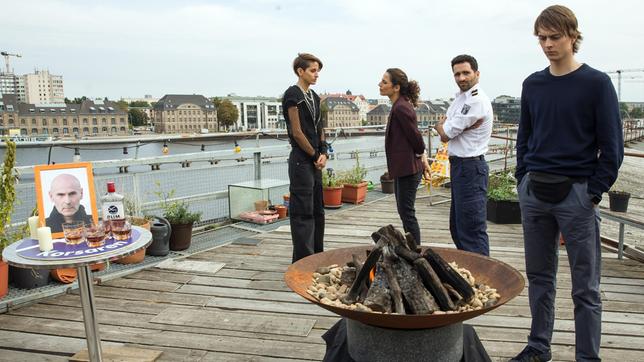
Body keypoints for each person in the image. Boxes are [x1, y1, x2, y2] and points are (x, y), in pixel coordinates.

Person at [511, 5, 623, 362]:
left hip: (576, 194)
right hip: (535, 193)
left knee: (586, 287)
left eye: (555, 36)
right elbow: (524, 137)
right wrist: (521, 178)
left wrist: (593, 192)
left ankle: (587, 357)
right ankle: (538, 347)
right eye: (541, 38)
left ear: (573, 35)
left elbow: (613, 145)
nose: (547, 44)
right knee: (540, 278)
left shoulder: (596, 83)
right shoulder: (533, 84)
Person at [435, 54, 493, 256]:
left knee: (472, 231)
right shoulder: (461, 99)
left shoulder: (476, 101)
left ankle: (483, 279)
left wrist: (442, 126)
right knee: (458, 229)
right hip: (460, 167)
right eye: (457, 74)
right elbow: (447, 131)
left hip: (471, 168)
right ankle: (470, 273)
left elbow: (445, 132)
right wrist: (446, 127)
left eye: (466, 73)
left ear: (477, 73)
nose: (461, 78)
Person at [282, 53, 328, 263]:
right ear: (300, 71)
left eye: (318, 70)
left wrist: (324, 151)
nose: (316, 74)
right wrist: (315, 154)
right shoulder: (293, 95)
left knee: (317, 210)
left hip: (315, 161)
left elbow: (320, 127)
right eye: (312, 70)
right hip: (302, 160)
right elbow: (297, 131)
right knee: (302, 213)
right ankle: (302, 260)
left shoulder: (315, 97)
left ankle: (316, 256)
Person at [379, 68, 430, 245]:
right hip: (404, 168)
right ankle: (413, 249)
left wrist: (420, 154)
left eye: (384, 82)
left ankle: (416, 251)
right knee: (404, 212)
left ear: (396, 87)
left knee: (407, 212)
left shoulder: (401, 107)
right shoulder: (399, 105)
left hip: (409, 169)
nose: (380, 84)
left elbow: (415, 137)